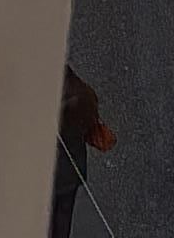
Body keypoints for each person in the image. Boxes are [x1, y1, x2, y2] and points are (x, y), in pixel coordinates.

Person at [52, 64, 116, 235]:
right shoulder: (80, 94)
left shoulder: (57, 102)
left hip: (53, 171)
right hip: (71, 172)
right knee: (62, 218)